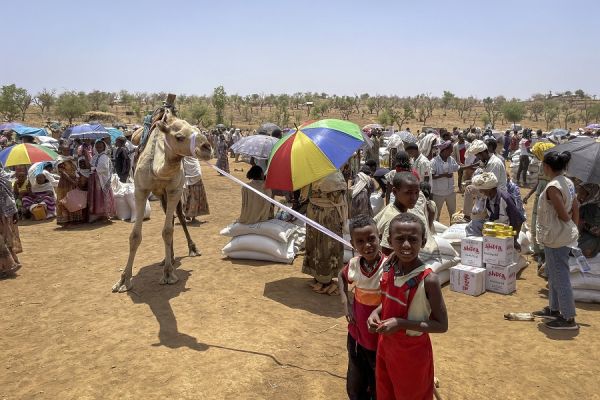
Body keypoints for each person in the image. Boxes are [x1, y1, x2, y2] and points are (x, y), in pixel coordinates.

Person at [367, 213, 448, 400]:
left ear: (423, 240)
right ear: (388, 240)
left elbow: (441, 325)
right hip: (386, 347)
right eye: (399, 239)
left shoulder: (428, 280)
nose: (406, 245)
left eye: (413, 240)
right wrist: (375, 312)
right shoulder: (389, 266)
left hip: (412, 355)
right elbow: (386, 301)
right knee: (386, 393)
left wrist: (401, 323)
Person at [338, 215, 385, 400]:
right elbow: (341, 277)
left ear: (379, 236)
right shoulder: (354, 265)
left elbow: (394, 297)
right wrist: (346, 303)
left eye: (371, 239)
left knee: (377, 382)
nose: (367, 245)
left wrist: (378, 310)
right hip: (357, 335)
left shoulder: (388, 266)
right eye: (360, 241)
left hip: (379, 338)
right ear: (352, 243)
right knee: (356, 382)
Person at [533, 151, 580, 330]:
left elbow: (562, 213)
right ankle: (554, 309)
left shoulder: (553, 187)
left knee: (560, 277)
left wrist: (568, 226)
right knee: (553, 274)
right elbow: (575, 206)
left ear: (547, 166)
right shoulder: (568, 182)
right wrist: (573, 229)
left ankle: (568, 318)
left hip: (556, 237)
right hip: (559, 236)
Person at [302, 171, 348, 295]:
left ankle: (318, 277)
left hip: (313, 212)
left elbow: (304, 195)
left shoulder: (311, 174)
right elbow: (339, 197)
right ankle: (325, 279)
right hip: (329, 215)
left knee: (315, 244)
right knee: (328, 246)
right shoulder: (335, 176)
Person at [465, 173, 525, 246]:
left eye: (482, 189)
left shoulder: (505, 199)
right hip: (495, 227)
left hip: (505, 230)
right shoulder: (488, 198)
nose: (480, 191)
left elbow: (518, 220)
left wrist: (514, 240)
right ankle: (476, 249)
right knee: (473, 225)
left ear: (489, 189)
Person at [523, 141, 555, 270]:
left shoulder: (552, 168)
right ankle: (538, 250)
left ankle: (543, 252)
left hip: (547, 199)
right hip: (538, 197)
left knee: (544, 223)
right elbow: (538, 182)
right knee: (535, 223)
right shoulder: (542, 165)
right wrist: (528, 195)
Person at [461, 139, 507, 221]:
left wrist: (477, 186)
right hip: (489, 190)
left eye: (478, 156)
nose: (478, 158)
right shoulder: (486, 161)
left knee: (469, 189)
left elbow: (491, 184)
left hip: (496, 193)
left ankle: (467, 216)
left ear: (483, 153)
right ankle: (469, 214)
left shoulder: (494, 163)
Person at [375, 172, 420, 255]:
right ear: (395, 192)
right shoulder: (395, 218)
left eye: (416, 192)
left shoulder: (392, 207)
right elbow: (387, 252)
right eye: (408, 193)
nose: (414, 197)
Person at [0, 169, 22, 278]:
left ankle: (6, 267)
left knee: (4, 239)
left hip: (3, 214)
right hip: (6, 213)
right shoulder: (5, 177)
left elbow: (9, 195)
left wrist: (14, 213)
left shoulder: (4, 177)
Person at [430, 140, 460, 221]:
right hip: (438, 193)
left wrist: (472, 166)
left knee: (453, 214)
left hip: (450, 191)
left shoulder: (451, 159)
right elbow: (431, 176)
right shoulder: (434, 161)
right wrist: (444, 175)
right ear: (445, 150)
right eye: (450, 150)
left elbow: (458, 168)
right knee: (436, 215)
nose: (451, 152)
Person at [56, 144, 85, 226]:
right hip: (65, 183)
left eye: (68, 150)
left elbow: (75, 171)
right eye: (65, 150)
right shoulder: (60, 160)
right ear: (61, 151)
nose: (67, 152)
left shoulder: (71, 159)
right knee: (64, 201)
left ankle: (74, 219)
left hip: (73, 183)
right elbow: (63, 174)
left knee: (74, 200)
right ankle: (65, 220)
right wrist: (72, 181)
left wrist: (77, 179)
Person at [88, 140, 115, 222]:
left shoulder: (105, 157)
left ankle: (105, 215)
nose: (98, 148)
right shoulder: (94, 157)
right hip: (94, 180)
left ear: (104, 147)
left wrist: (93, 168)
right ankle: (97, 214)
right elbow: (90, 165)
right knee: (96, 197)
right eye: (97, 147)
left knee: (102, 197)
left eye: (100, 147)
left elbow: (104, 168)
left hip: (102, 180)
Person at [182, 156, 210, 223]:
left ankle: (188, 215)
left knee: (190, 197)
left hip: (192, 177)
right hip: (192, 177)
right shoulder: (188, 156)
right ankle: (189, 215)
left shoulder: (188, 157)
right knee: (193, 197)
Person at [575, 182, 600, 258]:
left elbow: (597, 231)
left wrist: (582, 223)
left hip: (592, 241)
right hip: (587, 239)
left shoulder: (591, 208)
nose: (578, 197)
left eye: (582, 194)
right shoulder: (586, 206)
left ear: (592, 194)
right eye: (578, 193)